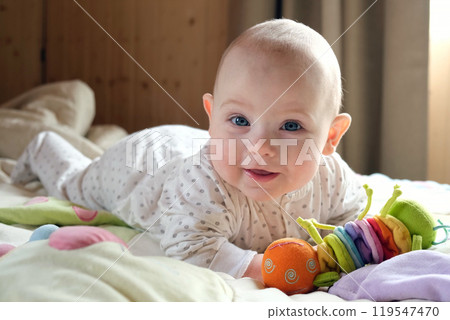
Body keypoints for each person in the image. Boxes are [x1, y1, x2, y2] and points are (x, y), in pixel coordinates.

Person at [11, 19, 366, 283]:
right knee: (73, 181)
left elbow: (351, 214)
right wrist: (268, 268)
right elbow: (192, 248)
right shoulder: (205, 184)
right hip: (139, 167)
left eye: (290, 126)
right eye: (239, 120)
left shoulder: (331, 178)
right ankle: (46, 143)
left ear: (330, 137)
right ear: (212, 119)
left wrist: (338, 249)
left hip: (184, 143)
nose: (259, 149)